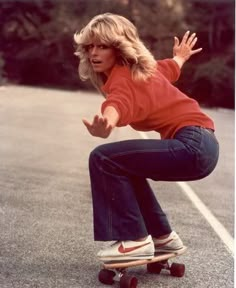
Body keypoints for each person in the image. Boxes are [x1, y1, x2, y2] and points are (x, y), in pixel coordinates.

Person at [74, 13, 219, 262]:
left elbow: (118, 103)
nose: (93, 53)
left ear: (119, 49)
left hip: (191, 144)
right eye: (89, 47)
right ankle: (164, 238)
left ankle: (135, 240)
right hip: (204, 146)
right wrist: (181, 57)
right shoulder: (146, 70)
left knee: (102, 158)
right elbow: (171, 68)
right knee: (125, 166)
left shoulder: (123, 77)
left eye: (102, 46)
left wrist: (107, 124)